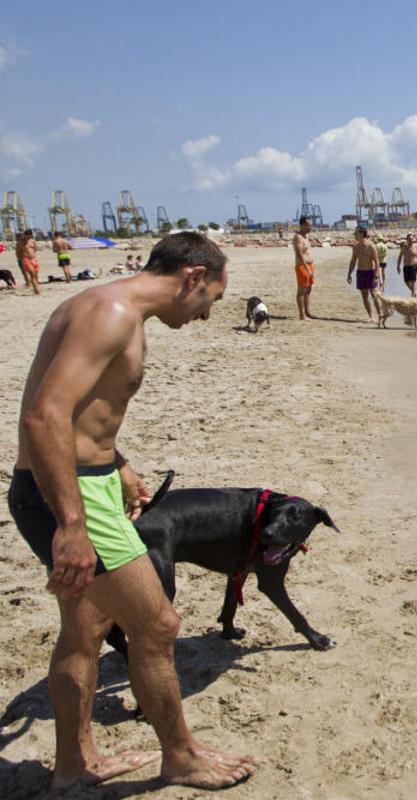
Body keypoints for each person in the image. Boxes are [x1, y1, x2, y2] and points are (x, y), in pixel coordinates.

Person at [7, 232, 257, 790]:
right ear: (193, 276)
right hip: (69, 494)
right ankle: (181, 756)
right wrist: (73, 525)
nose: (206, 314)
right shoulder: (112, 313)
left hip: (68, 483)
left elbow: (77, 411)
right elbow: (43, 416)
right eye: (211, 299)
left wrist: (116, 463)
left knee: (86, 629)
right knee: (157, 625)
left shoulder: (98, 305)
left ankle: (74, 765)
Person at [346, 226, 382, 321]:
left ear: (362, 234)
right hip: (360, 272)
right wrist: (349, 273)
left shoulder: (371, 246)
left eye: (356, 233)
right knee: (364, 296)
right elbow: (353, 261)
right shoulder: (356, 247)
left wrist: (376, 274)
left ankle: (380, 315)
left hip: (370, 272)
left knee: (374, 295)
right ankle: (370, 316)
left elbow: (377, 261)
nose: (354, 235)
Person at [293, 216, 316, 320]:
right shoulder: (298, 237)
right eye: (308, 225)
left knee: (308, 289)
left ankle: (307, 312)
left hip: (309, 265)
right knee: (302, 290)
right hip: (302, 266)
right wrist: (307, 268)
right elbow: (300, 254)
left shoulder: (306, 236)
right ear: (302, 225)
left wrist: (310, 267)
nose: (310, 227)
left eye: (311, 225)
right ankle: (302, 315)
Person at [19, 228, 40, 295]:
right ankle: (36, 290)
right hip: (26, 259)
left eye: (30, 236)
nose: (29, 237)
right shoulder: (20, 242)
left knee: (36, 275)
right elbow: (18, 251)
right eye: (27, 236)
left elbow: (35, 249)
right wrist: (20, 259)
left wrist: (33, 256)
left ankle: (36, 287)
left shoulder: (32, 241)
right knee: (32, 274)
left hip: (33, 259)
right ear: (25, 235)